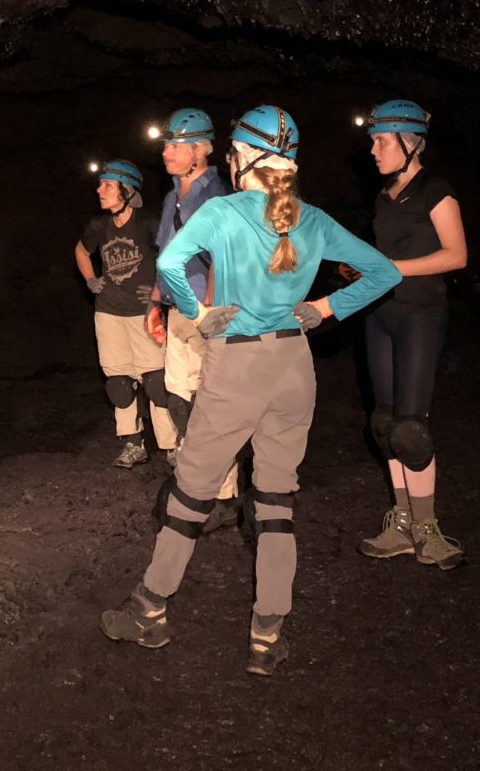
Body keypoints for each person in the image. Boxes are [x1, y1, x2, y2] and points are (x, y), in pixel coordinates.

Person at [100, 105, 401, 676]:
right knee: (276, 501)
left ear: (243, 158)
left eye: (234, 154)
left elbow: (168, 261)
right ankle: (267, 636)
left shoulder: (223, 210)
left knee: (192, 493)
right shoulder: (312, 219)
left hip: (237, 365)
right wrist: (323, 308)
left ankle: (149, 611)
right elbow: (385, 271)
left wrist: (200, 312)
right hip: (294, 366)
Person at [356, 100, 466, 570]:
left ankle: (428, 527)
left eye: (381, 140)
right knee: (383, 423)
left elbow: (456, 255)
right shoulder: (385, 196)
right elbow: (382, 258)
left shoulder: (434, 191)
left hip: (420, 314)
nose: (374, 149)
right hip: (380, 315)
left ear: (409, 142)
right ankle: (401, 523)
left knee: (410, 428)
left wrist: (393, 269)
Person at [148, 108, 237, 530]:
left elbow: (222, 257)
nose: (167, 152)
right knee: (178, 398)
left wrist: (211, 314)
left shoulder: (216, 195)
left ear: (201, 150)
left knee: (210, 403)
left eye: (175, 145)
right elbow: (165, 254)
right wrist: (154, 303)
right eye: (165, 144)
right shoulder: (171, 197)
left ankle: (223, 495)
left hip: (204, 310)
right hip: (177, 309)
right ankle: (194, 482)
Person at [75, 160, 173, 469]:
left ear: (126, 191)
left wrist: (161, 289)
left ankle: (171, 445)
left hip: (145, 313)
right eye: (101, 183)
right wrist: (91, 280)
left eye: (107, 184)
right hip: (108, 312)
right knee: (117, 382)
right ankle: (133, 444)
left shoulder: (149, 223)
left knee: (156, 381)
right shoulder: (99, 225)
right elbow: (81, 251)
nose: (99, 189)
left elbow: (173, 255)